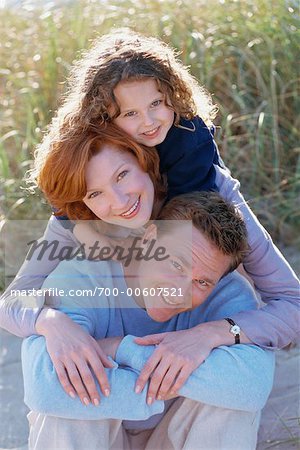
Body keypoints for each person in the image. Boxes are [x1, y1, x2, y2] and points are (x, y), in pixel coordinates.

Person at [0, 30, 299, 401]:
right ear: (103, 120)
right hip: (127, 336)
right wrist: (50, 320)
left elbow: (291, 301)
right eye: (129, 113)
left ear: (174, 97)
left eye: (158, 103)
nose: (148, 123)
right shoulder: (80, 207)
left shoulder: (208, 182)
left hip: (203, 326)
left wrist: (217, 332)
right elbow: (13, 300)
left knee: (224, 277)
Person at [22, 191, 275, 450]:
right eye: (177, 264)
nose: (180, 292)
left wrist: (121, 350)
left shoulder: (228, 293)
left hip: (176, 435)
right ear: (150, 238)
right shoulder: (82, 276)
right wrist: (165, 381)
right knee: (69, 402)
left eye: (202, 282)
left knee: (232, 405)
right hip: (99, 436)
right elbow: (44, 387)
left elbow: (252, 387)